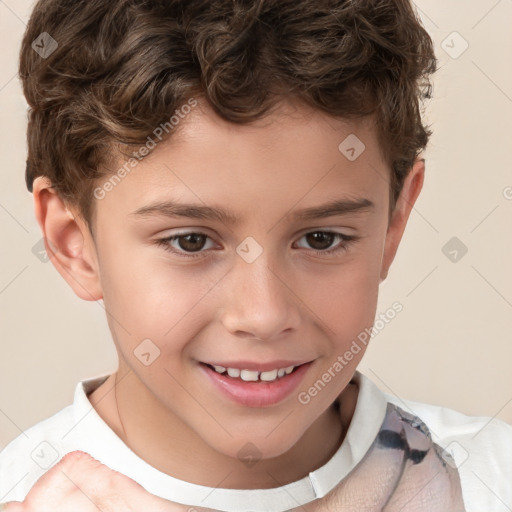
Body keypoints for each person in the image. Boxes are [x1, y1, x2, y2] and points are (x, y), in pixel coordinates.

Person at [0, 0, 510, 510]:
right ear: (74, 244)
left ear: (393, 224)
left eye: (321, 239)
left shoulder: (493, 479)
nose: (263, 316)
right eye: (190, 241)